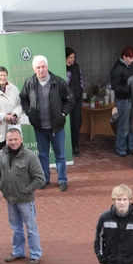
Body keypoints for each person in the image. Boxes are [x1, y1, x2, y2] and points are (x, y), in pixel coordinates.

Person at [20, 55, 74, 192]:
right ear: (34, 69)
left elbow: (70, 100)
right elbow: (23, 99)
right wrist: (29, 112)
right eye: (38, 67)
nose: (41, 70)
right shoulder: (29, 83)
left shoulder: (59, 82)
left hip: (57, 127)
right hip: (40, 127)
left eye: (43, 66)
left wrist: (63, 114)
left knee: (60, 155)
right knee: (43, 155)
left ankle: (62, 179)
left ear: (47, 67)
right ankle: (44, 179)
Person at [0, 127, 45, 264]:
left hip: (25, 200)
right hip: (10, 199)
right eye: (10, 140)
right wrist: (2, 188)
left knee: (31, 228)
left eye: (15, 139)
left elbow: (40, 179)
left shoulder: (30, 156)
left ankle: (35, 255)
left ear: (21, 140)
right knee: (16, 227)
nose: (13, 142)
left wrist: (26, 190)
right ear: (6, 141)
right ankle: (18, 252)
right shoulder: (2, 154)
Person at [110, 46, 133, 157]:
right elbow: (115, 87)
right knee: (124, 125)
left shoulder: (128, 66)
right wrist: (130, 90)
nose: (132, 60)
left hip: (130, 98)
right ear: (124, 57)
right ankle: (120, 148)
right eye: (130, 58)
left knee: (132, 125)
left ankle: (131, 147)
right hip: (123, 100)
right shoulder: (117, 69)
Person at [65, 47, 84, 157]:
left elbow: (81, 80)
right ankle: (69, 147)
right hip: (67, 100)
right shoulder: (64, 68)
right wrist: (67, 68)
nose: (72, 59)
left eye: (73, 57)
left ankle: (75, 146)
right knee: (69, 123)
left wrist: (81, 90)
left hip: (77, 98)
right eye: (70, 57)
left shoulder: (77, 67)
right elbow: (65, 81)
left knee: (76, 123)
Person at [0, 66, 21, 149]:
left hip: (13, 128)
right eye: (0, 75)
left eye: (4, 75)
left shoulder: (14, 89)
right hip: (1, 130)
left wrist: (14, 114)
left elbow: (20, 104)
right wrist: (4, 117)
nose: (3, 77)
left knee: (14, 153)